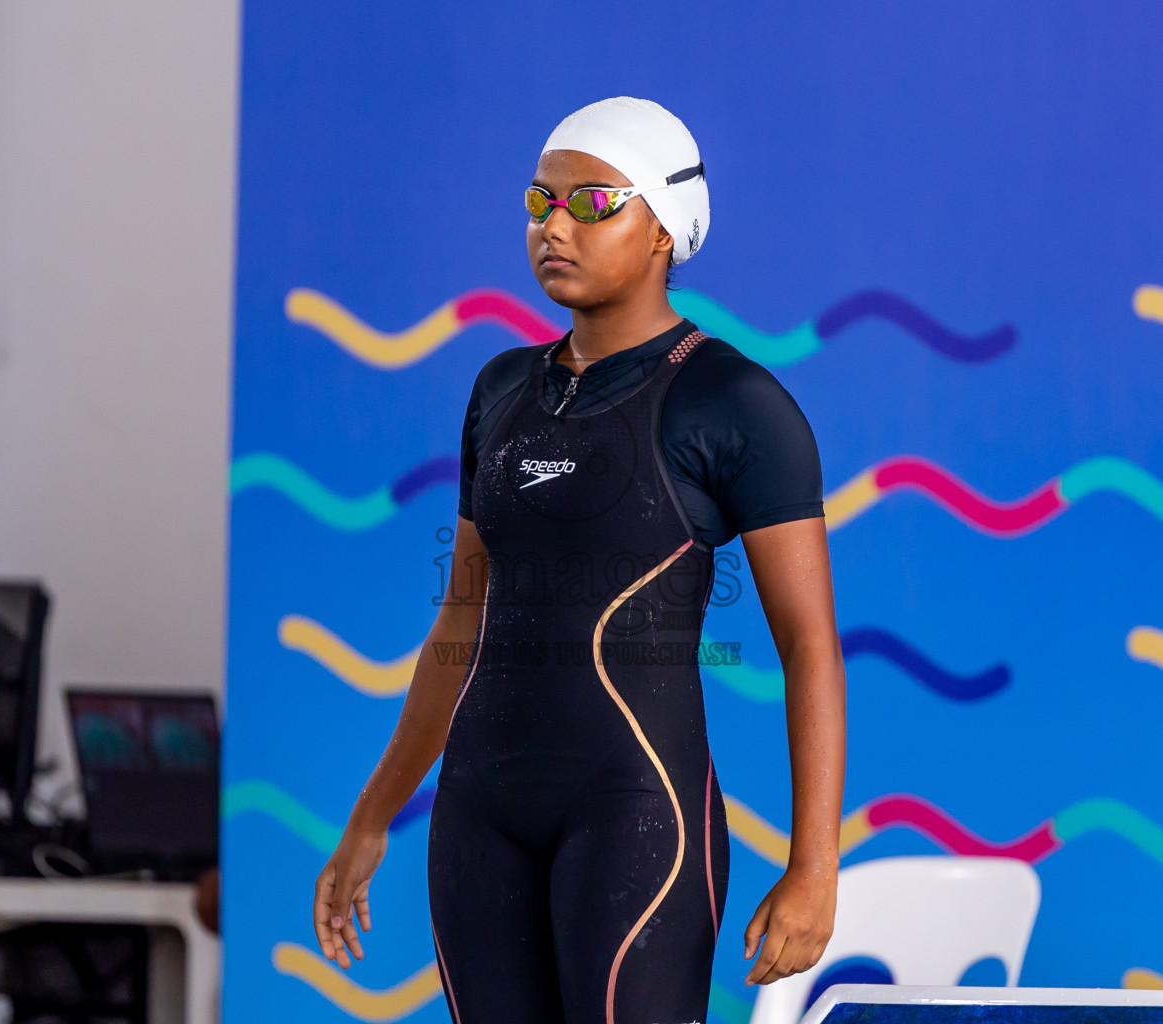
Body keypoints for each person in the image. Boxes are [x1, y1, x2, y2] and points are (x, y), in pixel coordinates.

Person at [312, 96, 847, 1023]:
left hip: (637, 813)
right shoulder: (502, 390)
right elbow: (463, 621)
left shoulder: (733, 402)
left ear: (665, 231)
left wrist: (813, 868)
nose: (553, 225)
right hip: (479, 813)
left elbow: (808, 646)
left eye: (593, 203)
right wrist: (372, 816)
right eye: (539, 200)